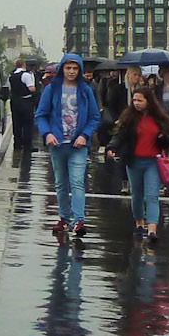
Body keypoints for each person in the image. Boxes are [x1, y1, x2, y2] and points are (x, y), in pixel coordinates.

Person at [34, 53, 102, 242]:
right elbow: (40, 115)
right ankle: (64, 218)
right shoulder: (52, 89)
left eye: (75, 68)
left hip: (78, 145)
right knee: (61, 183)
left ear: (79, 70)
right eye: (68, 68)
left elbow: (95, 117)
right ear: (62, 69)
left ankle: (79, 220)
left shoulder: (85, 90)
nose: (71, 72)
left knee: (78, 182)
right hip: (57, 144)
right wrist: (47, 133)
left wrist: (84, 135)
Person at [107, 83, 169, 242]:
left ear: (148, 101)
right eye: (134, 100)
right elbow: (119, 136)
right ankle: (139, 223)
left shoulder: (160, 119)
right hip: (134, 161)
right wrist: (112, 147)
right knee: (137, 195)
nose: (136, 103)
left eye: (140, 100)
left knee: (152, 196)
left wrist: (163, 138)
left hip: (153, 162)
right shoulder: (129, 118)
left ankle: (152, 229)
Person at [8, 62, 38, 153]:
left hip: (14, 101)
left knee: (16, 123)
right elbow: (31, 88)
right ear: (23, 65)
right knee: (27, 124)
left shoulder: (11, 76)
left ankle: (17, 144)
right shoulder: (26, 75)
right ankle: (27, 145)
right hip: (25, 101)